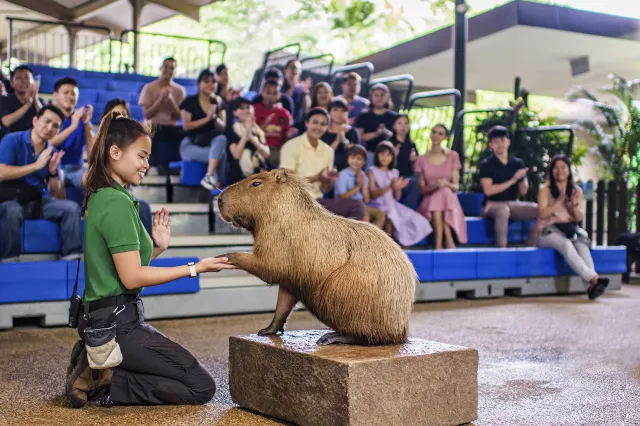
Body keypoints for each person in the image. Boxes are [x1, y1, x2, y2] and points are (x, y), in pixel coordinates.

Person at [65, 111, 236, 408]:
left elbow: (120, 267)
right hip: (118, 325)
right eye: (141, 155)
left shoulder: (106, 195)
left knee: (189, 379)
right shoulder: (115, 202)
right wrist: (195, 268)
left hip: (110, 319)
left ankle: (100, 366)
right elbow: (131, 278)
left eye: (148, 157)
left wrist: (157, 248)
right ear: (114, 152)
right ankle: (102, 378)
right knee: (201, 387)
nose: (147, 164)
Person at [0, 105, 82, 261]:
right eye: (47, 121)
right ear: (35, 120)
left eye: (56, 126)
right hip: (10, 200)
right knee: (11, 210)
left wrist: (52, 173)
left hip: (38, 202)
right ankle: (9, 261)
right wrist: (35, 166)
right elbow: (1, 172)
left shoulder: (53, 153)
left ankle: (72, 260)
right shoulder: (12, 140)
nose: (50, 127)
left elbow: (54, 193)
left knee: (71, 208)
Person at [536, 155, 609, 300]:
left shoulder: (576, 191)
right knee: (566, 245)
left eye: (563, 167)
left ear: (569, 170)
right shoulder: (545, 190)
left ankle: (591, 286)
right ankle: (593, 278)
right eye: (556, 167)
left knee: (583, 248)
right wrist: (559, 202)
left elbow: (579, 217)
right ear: (552, 171)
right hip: (548, 232)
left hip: (570, 230)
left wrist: (572, 206)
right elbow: (542, 213)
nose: (560, 170)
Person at [280, 107, 366, 221]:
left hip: (317, 202)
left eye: (323, 124)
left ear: (326, 127)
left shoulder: (328, 151)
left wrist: (329, 180)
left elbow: (326, 189)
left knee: (357, 205)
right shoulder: (291, 146)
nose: (318, 127)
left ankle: (344, 239)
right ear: (307, 123)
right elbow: (286, 182)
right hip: (294, 201)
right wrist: (316, 178)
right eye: (315, 122)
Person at [479, 125, 538, 248]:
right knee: (503, 210)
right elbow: (488, 191)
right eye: (495, 142)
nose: (500, 144)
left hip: (512, 203)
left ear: (508, 142)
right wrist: (513, 180)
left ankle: (530, 245)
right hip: (492, 204)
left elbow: (523, 191)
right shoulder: (487, 164)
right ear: (491, 145)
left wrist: (522, 178)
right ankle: (502, 249)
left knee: (541, 210)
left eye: (502, 140)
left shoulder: (517, 163)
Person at [102, 99, 153, 235]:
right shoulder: (103, 143)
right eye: (117, 115)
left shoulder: (134, 142)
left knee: (143, 207)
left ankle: (146, 251)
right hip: (108, 195)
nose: (122, 118)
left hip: (126, 194)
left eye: (125, 114)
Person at [367, 142, 432, 248]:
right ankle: (388, 248)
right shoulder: (372, 170)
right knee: (390, 220)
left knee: (417, 221)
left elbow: (396, 197)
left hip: (392, 204)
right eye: (382, 154)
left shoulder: (394, 172)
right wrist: (390, 187)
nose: (385, 157)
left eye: (388, 155)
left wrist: (398, 189)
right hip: (377, 205)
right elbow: (372, 194)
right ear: (377, 155)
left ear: (392, 157)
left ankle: (400, 249)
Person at [415, 124, 467, 249]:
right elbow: (422, 190)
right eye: (434, 132)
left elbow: (455, 187)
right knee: (440, 194)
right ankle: (448, 239)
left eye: (440, 133)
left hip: (449, 201)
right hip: (429, 201)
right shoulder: (421, 159)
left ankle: (438, 243)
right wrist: (435, 185)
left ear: (445, 137)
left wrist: (444, 184)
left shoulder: (453, 156)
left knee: (444, 191)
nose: (436, 135)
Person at [179, 69, 227, 190]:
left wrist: (214, 116)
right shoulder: (190, 101)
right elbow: (186, 126)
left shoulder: (219, 101)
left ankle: (209, 175)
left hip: (211, 144)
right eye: (206, 81)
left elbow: (223, 127)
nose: (210, 85)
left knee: (221, 139)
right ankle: (216, 183)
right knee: (221, 155)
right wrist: (207, 119)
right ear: (199, 83)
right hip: (191, 144)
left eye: (213, 82)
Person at [138, 57, 186, 175]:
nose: (168, 70)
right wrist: (161, 99)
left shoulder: (179, 91)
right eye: (166, 67)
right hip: (153, 125)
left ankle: (167, 166)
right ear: (161, 68)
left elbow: (178, 116)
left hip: (171, 128)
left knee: (184, 132)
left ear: (175, 71)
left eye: (172, 68)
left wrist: (170, 100)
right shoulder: (149, 88)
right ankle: (155, 164)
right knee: (155, 130)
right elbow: (147, 114)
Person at [49, 77, 94, 190]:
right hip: (53, 169)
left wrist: (87, 124)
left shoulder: (82, 119)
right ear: (55, 95)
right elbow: (49, 143)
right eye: (66, 93)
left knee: (97, 184)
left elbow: (92, 151)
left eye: (73, 93)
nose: (70, 96)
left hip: (76, 170)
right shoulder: (49, 118)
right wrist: (73, 126)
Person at [335, 144, 385, 229]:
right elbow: (341, 197)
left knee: (381, 214)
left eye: (359, 159)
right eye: (352, 158)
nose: (355, 161)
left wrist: (363, 186)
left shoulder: (364, 176)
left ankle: (372, 238)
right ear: (348, 159)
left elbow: (366, 200)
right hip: (347, 205)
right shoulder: (342, 175)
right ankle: (362, 240)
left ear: (364, 162)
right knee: (365, 216)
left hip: (362, 205)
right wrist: (357, 187)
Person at [226, 97, 270, 185]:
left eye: (248, 107)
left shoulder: (258, 131)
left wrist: (252, 137)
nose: (246, 110)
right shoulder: (232, 130)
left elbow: (266, 154)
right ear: (235, 113)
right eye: (242, 108)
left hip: (261, 174)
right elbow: (236, 155)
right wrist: (246, 132)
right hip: (240, 177)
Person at [0, 65, 42, 138]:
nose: (24, 81)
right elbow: (6, 122)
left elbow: (44, 118)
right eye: (19, 78)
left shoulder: (38, 101)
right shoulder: (4, 100)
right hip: (10, 142)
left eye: (27, 78)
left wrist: (35, 99)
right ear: (12, 83)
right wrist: (28, 104)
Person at [321, 99, 362, 172]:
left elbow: (357, 155)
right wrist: (337, 140)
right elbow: (322, 154)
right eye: (335, 110)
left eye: (343, 110)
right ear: (329, 112)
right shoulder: (323, 131)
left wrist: (344, 140)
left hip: (348, 171)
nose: (339, 113)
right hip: (326, 169)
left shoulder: (352, 131)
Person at [389, 114, 419, 209]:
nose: (403, 126)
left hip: (407, 176)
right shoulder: (390, 143)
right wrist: (393, 157)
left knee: (414, 183)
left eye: (406, 123)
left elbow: (415, 168)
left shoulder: (411, 144)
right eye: (400, 123)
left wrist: (414, 161)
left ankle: (406, 211)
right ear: (394, 126)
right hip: (393, 176)